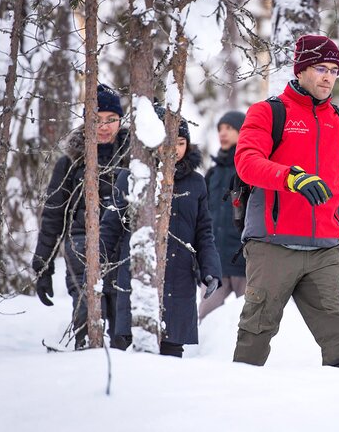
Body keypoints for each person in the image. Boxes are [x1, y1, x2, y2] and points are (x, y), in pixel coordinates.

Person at [233, 34, 339, 368]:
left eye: (334, 70)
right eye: (320, 68)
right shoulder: (268, 112)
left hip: (325, 251)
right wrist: (291, 177)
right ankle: (239, 408)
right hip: (272, 245)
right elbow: (246, 162)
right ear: (300, 70)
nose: (328, 77)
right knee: (255, 335)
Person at [99, 105, 222, 357]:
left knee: (171, 356)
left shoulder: (196, 183)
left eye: (180, 142)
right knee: (131, 351)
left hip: (179, 281)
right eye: (168, 142)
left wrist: (210, 271)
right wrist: (97, 266)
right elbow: (111, 229)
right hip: (136, 278)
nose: (175, 150)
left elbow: (204, 232)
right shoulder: (131, 177)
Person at [32, 83, 128, 350]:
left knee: (122, 329)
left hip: (122, 251)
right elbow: (53, 217)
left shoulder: (132, 159)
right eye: (96, 120)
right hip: (81, 247)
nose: (105, 127)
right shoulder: (70, 164)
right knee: (87, 320)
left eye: (111, 120)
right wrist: (43, 266)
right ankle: (85, 370)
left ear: (120, 120)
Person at [198, 110, 247, 321]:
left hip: (244, 262)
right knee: (205, 317)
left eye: (229, 128)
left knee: (249, 320)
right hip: (215, 263)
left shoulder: (248, 168)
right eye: (220, 129)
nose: (223, 133)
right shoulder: (213, 172)